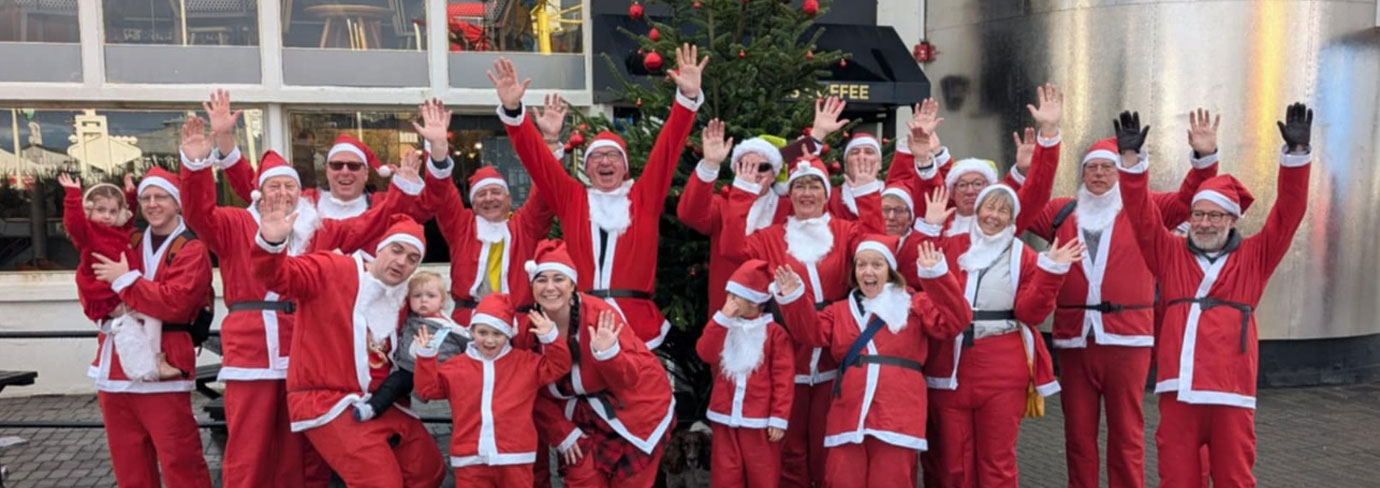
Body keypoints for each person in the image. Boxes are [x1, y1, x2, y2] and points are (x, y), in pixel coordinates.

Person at [179, 107, 425, 488]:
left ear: (302, 192)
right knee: (250, 445)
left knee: (303, 447)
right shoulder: (235, 222)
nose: (282, 193)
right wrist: (196, 165)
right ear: (258, 191)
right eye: (274, 186)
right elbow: (197, 213)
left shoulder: (316, 230)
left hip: (304, 351)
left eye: (290, 186)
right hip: (253, 348)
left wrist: (401, 191)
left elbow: (369, 225)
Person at [1114, 104, 1313, 487]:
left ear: (1233, 219)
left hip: (1231, 392)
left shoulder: (1256, 256)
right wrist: (1131, 161)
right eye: (1199, 215)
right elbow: (1140, 215)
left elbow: (1289, 212)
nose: (1204, 223)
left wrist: (1297, 157)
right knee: (1176, 478)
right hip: (1178, 389)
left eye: (1215, 216)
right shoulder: (1169, 254)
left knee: (1234, 479)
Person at [1023, 109, 1223, 488]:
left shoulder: (1145, 206)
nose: (1099, 174)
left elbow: (1187, 200)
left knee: (1127, 434)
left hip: (1128, 338)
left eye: (1108, 167)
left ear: (1120, 172)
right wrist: (1026, 166)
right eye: (1092, 167)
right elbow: (1015, 210)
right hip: (1074, 339)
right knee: (1078, 437)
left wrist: (1204, 158)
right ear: (1081, 173)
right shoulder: (1061, 210)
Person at [489, 44, 706, 349]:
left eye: (613, 156)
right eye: (597, 157)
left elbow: (668, 148)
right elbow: (537, 160)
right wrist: (514, 113)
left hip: (638, 324)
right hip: (582, 320)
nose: (605, 162)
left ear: (625, 167)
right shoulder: (573, 199)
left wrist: (686, 100)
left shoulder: (644, 197)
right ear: (587, 167)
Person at [717, 154, 885, 488]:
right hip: (788, 355)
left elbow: (876, 243)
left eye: (814, 186)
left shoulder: (844, 230)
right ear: (789, 194)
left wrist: (867, 194)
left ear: (827, 194)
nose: (806, 193)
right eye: (799, 186)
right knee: (789, 452)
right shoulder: (769, 237)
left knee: (829, 447)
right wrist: (743, 192)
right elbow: (731, 246)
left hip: (835, 355)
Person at [252, 211, 447, 487]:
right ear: (381, 248)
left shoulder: (404, 299)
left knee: (428, 469)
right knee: (380, 482)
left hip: (381, 402)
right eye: (397, 250)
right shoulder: (333, 268)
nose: (402, 262)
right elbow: (278, 277)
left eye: (412, 259)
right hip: (328, 400)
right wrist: (272, 245)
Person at [917, 183, 1085, 487]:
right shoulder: (951, 245)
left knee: (996, 460)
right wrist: (929, 226)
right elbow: (917, 278)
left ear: (1012, 219)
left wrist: (1051, 272)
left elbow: (1031, 314)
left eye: (1003, 210)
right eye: (989, 207)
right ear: (978, 210)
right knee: (953, 460)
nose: (994, 216)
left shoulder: (1026, 257)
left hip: (1002, 366)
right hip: (950, 364)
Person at [773, 236, 971, 488]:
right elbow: (809, 332)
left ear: (889, 270)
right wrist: (794, 298)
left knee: (891, 480)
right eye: (861, 265)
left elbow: (956, 321)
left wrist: (936, 277)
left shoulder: (914, 302)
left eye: (877, 264)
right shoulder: (840, 310)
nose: (868, 271)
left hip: (898, 412)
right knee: (841, 478)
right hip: (849, 412)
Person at [86, 167, 214, 488]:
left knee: (180, 461)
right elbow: (93, 274)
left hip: (167, 368)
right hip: (115, 369)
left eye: (160, 197)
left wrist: (125, 280)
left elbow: (176, 303)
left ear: (178, 203)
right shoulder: (130, 239)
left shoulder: (192, 249)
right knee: (129, 465)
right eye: (146, 198)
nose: (152, 204)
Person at [518, 239, 675, 487]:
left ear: (572, 285)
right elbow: (528, 390)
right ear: (532, 286)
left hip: (635, 410)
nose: (550, 287)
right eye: (541, 280)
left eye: (558, 279)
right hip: (577, 418)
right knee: (583, 479)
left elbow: (630, 379)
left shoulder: (600, 315)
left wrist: (608, 354)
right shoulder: (528, 330)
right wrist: (561, 432)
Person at [412, 292, 572, 487]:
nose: (489, 341)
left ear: (507, 334)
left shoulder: (525, 363)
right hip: (469, 459)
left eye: (497, 334)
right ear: (472, 331)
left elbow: (560, 366)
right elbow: (427, 390)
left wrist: (550, 337)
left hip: (516, 457)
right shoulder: (455, 367)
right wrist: (426, 357)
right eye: (483, 333)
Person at [421, 96, 557, 324]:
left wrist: (551, 141)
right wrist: (437, 150)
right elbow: (443, 195)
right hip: (470, 323)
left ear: (509, 198)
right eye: (481, 195)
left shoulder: (525, 226)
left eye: (495, 192)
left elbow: (545, 192)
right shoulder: (462, 227)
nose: (489, 198)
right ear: (473, 204)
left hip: (519, 323)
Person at [676, 119, 818, 315]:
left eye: (762, 168)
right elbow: (689, 214)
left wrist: (817, 135)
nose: (754, 174)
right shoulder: (722, 204)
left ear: (774, 174)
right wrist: (710, 164)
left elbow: (816, 190)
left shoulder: (789, 208)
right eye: (746, 166)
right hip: (728, 308)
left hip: (777, 310)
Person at [60, 173, 183, 381]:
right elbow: (74, 224)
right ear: (88, 211)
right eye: (101, 210)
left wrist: (131, 194)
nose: (107, 216)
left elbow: (128, 220)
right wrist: (72, 196)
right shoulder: (88, 234)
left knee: (143, 322)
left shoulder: (117, 231)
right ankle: (149, 363)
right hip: (108, 296)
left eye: (112, 211)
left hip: (121, 292)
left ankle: (148, 363)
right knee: (141, 320)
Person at [895, 87, 1064, 238]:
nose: (970, 191)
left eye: (977, 184)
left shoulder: (1003, 224)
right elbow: (929, 192)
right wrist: (924, 157)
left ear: (989, 190)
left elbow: (1037, 190)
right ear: (951, 193)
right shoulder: (937, 225)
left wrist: (1048, 132)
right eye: (962, 185)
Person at [204, 90, 397, 220]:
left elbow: (422, 206)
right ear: (327, 171)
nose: (345, 171)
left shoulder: (382, 205)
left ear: (366, 173)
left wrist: (428, 148)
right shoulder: (307, 202)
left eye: (353, 166)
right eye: (337, 165)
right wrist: (224, 136)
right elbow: (252, 185)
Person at [694, 259, 795, 488]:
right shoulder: (723, 325)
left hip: (759, 422)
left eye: (734, 296)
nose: (729, 301)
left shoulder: (775, 333)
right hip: (724, 416)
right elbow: (705, 352)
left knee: (763, 475)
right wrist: (721, 319)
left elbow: (783, 379)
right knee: (725, 474)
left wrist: (779, 418)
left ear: (754, 300)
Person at [354, 270, 471, 421]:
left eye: (431, 296)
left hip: (439, 373)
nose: (423, 300)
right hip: (408, 369)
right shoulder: (408, 317)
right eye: (417, 296)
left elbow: (468, 344)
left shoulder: (451, 327)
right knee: (393, 385)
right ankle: (372, 408)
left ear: (442, 301)